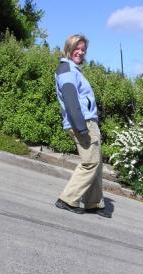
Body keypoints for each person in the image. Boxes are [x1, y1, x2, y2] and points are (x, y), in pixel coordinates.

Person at [54, 34, 111, 218]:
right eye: (76, 48)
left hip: (88, 121)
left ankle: (93, 203)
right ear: (68, 49)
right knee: (90, 163)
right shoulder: (66, 69)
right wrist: (81, 125)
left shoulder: (74, 70)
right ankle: (67, 199)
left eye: (83, 50)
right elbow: (70, 99)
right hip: (82, 122)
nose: (80, 52)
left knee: (96, 163)